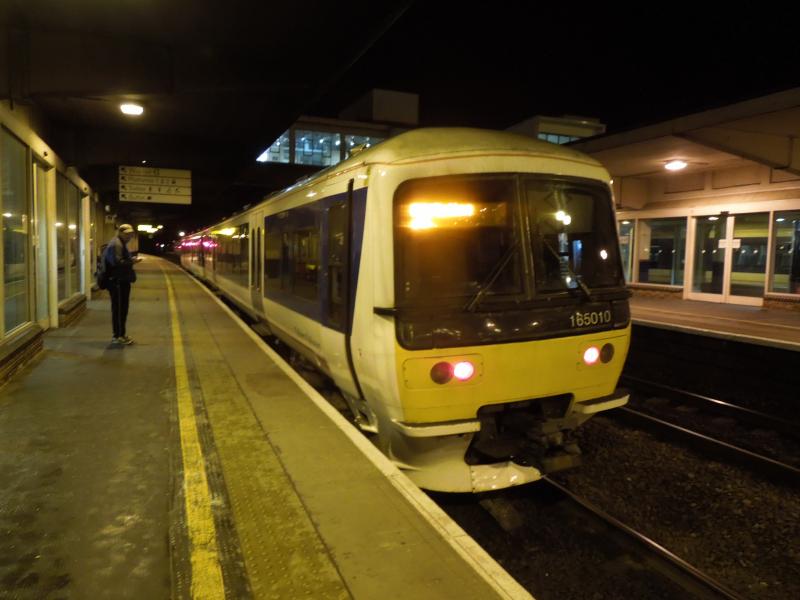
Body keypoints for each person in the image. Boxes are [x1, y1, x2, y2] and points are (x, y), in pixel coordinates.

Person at [102, 224, 141, 345]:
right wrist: (132, 261)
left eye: (131, 234)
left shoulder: (120, 243)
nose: (129, 236)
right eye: (127, 234)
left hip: (121, 280)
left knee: (122, 309)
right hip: (117, 281)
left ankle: (121, 334)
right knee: (119, 309)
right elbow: (117, 262)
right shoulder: (116, 244)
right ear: (120, 232)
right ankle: (117, 336)